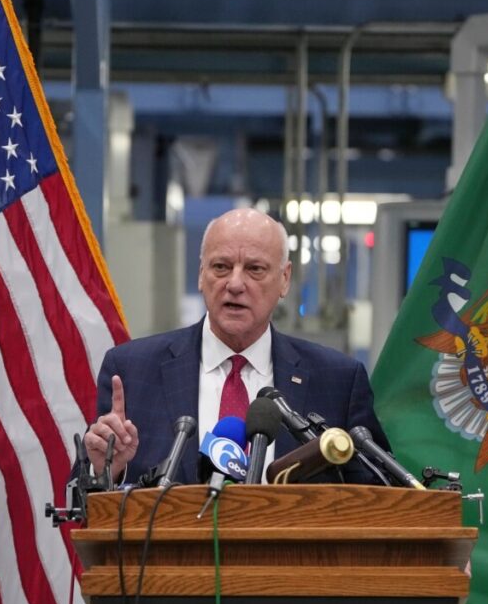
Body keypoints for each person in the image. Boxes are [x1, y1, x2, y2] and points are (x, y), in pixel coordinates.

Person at [83, 207, 393, 485]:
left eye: (255, 269)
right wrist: (107, 470)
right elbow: (83, 498)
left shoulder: (338, 380)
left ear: (285, 279)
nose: (234, 284)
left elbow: (378, 497)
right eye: (221, 266)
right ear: (201, 274)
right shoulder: (132, 371)